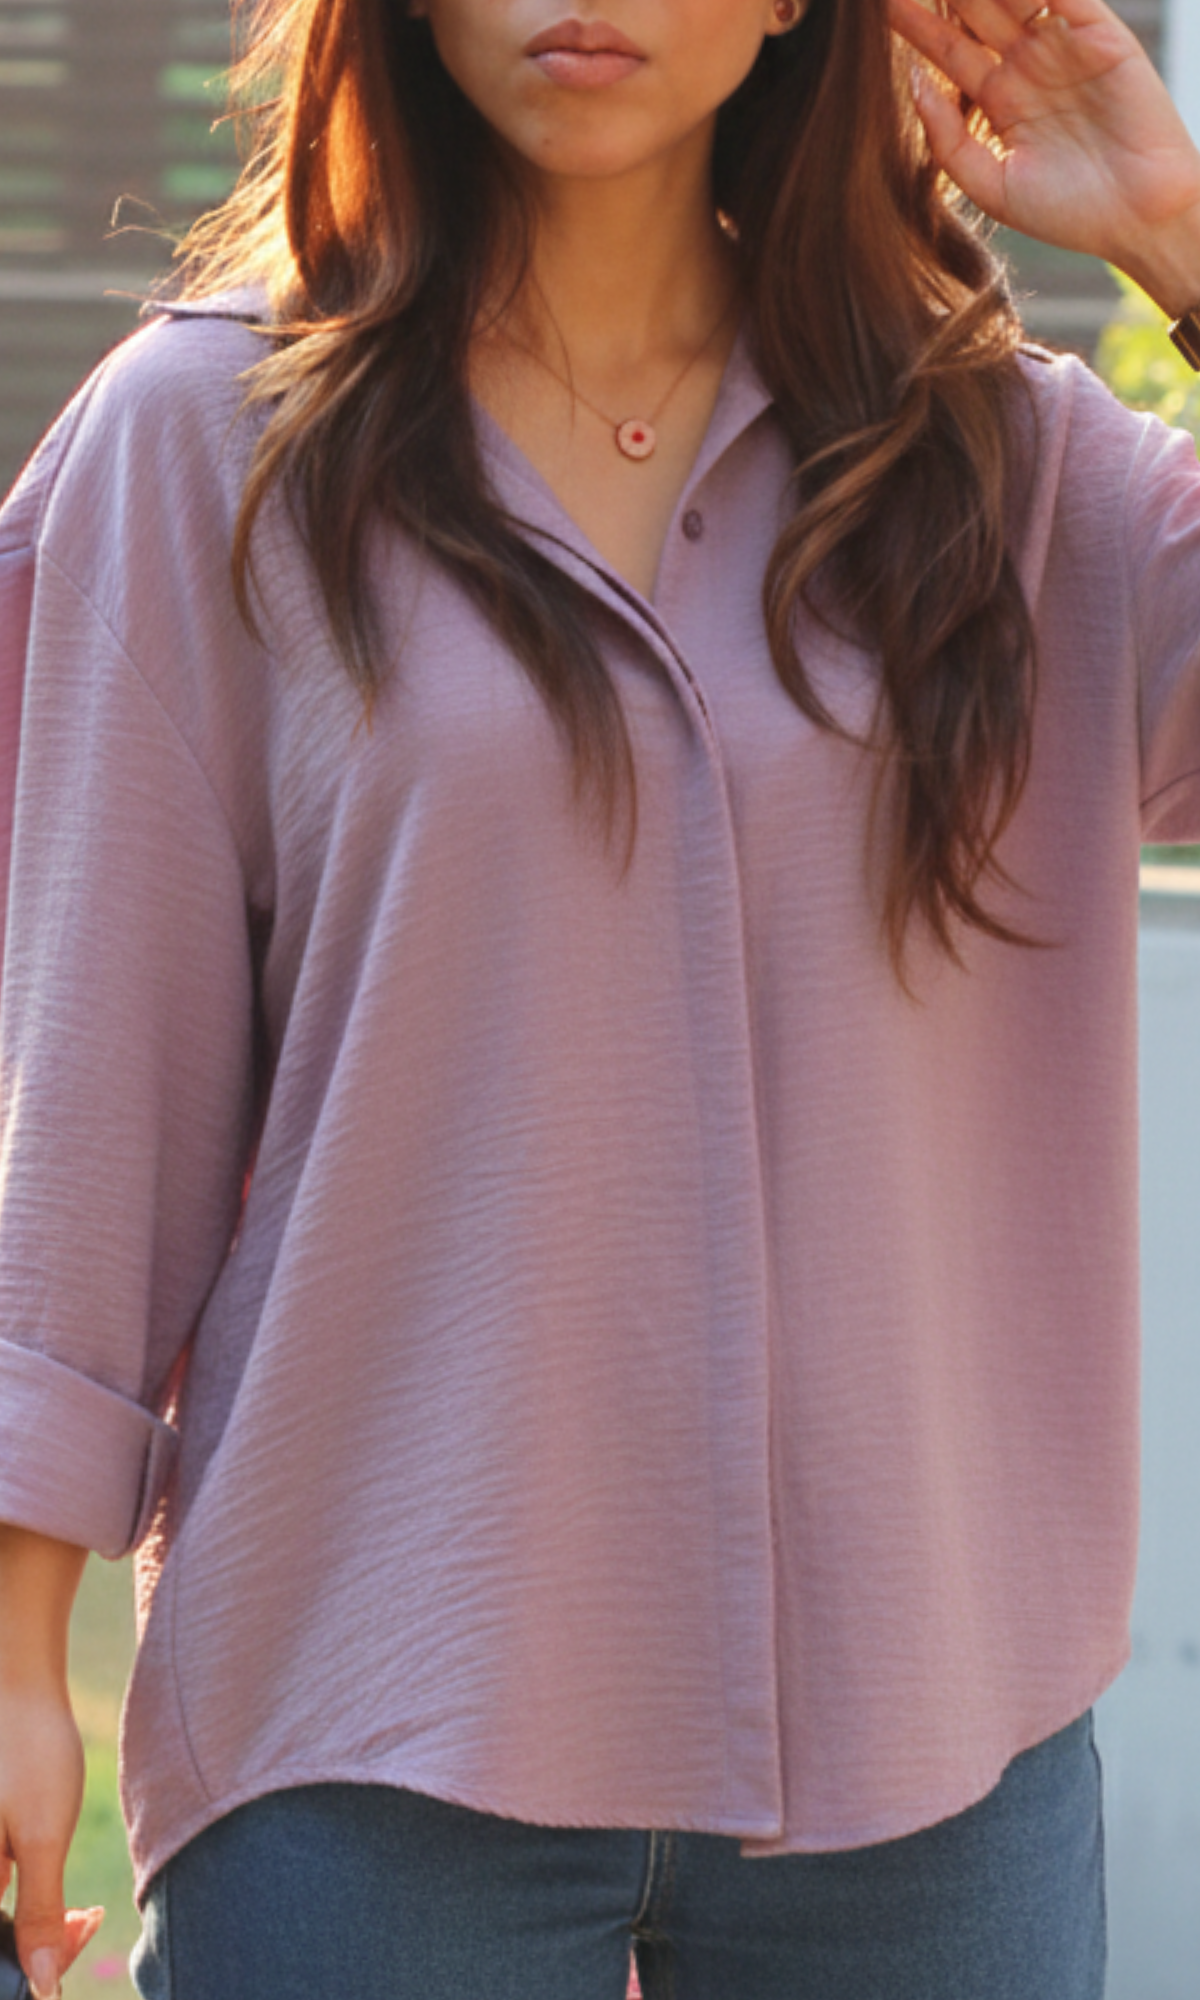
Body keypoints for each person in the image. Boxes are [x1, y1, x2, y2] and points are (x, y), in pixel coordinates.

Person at [1, 0, 1199, 1993]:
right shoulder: (195, 441)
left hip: (927, 1768)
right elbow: (90, 1107)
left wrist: (1176, 223)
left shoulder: (1004, 464)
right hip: (377, 1746)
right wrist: (17, 1651)